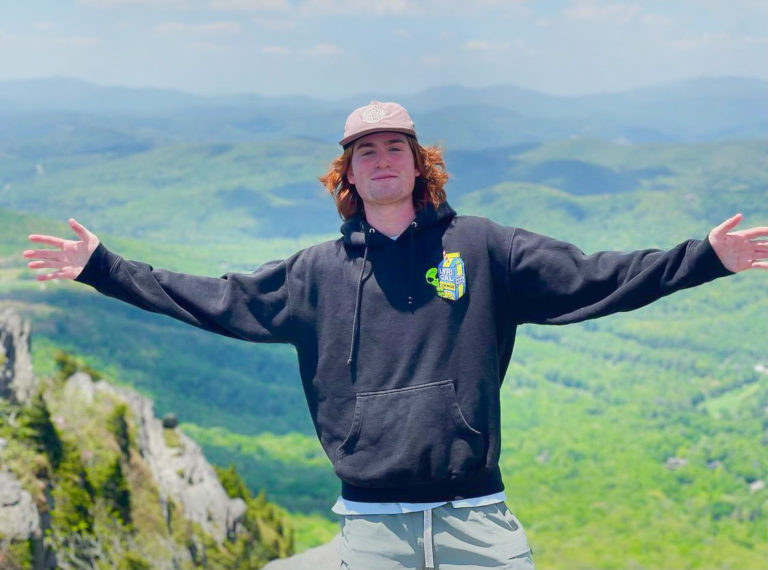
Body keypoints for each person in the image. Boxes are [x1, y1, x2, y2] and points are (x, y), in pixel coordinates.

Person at [23, 101, 768, 570]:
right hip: (371, 525)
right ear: (348, 174)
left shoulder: (482, 248)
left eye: (395, 148)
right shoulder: (316, 273)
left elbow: (597, 276)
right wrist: (103, 268)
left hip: (477, 517)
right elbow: (216, 300)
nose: (382, 161)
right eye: (365, 152)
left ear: (420, 165)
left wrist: (704, 258)